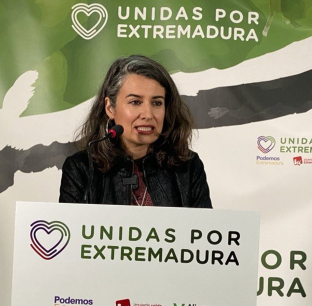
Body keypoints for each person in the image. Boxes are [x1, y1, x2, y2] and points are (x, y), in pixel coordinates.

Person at [59, 55, 212, 208]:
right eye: (135, 102)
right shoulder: (81, 168)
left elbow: (204, 223)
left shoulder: (188, 167)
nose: (148, 114)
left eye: (157, 103)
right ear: (110, 108)